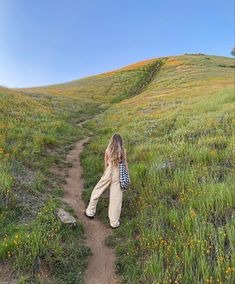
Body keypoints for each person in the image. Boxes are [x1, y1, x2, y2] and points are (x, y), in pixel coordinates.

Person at [84, 133, 130, 228]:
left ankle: (90, 212)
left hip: (109, 171)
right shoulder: (123, 151)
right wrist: (128, 176)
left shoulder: (108, 150)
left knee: (97, 190)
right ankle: (114, 223)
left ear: (111, 141)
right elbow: (125, 164)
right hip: (118, 173)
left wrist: (105, 174)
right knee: (116, 199)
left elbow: (105, 164)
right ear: (120, 141)